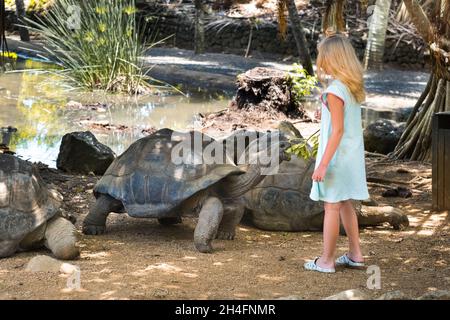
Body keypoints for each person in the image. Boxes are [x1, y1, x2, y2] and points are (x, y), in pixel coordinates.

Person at [304, 30, 370, 273]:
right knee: (344, 204)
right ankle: (355, 254)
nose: (320, 60)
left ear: (332, 58)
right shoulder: (349, 87)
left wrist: (322, 164)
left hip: (336, 159)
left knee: (330, 206)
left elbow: (338, 131)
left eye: (322, 56)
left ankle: (326, 260)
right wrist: (325, 112)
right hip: (350, 157)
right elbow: (342, 121)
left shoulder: (334, 91)